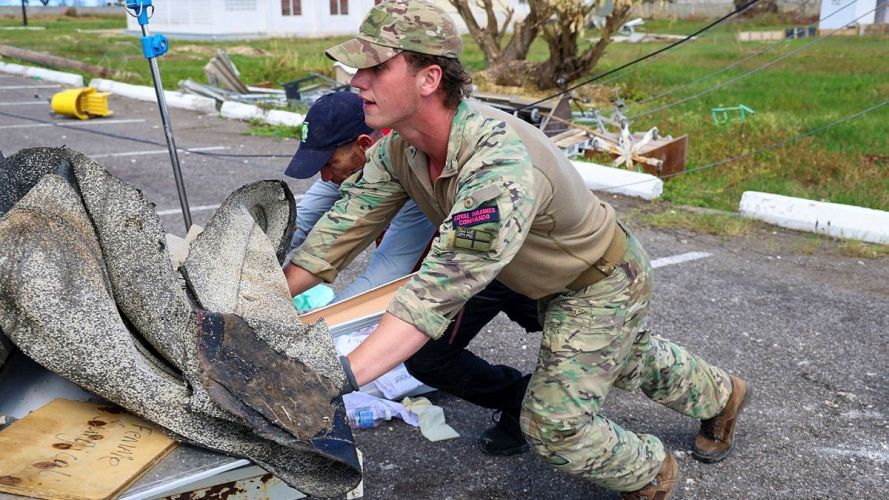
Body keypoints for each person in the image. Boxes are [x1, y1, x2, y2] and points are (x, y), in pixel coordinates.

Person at [284, 1, 750, 497]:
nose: (358, 80)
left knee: (552, 427)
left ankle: (652, 472)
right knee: (627, 356)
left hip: (597, 281)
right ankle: (723, 395)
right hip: (527, 274)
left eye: (375, 67)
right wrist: (256, 301)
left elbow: (430, 298)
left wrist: (331, 378)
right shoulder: (402, 149)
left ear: (429, 78)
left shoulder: (497, 165)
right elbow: (333, 238)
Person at [286, 90, 539, 455]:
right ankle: (524, 400)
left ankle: (537, 401)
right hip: (469, 269)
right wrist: (252, 274)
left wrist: (310, 335)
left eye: (328, 162)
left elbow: (386, 272)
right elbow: (303, 221)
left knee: (597, 348)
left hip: (480, 263)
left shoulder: (408, 167)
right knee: (428, 360)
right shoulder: (356, 163)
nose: (325, 175)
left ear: (361, 145)